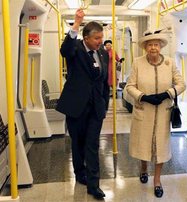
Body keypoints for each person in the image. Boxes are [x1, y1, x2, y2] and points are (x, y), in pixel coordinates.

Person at [125, 29, 185, 198]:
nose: (153, 48)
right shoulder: (138, 63)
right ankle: (143, 167)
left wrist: (168, 94)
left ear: (160, 47)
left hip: (163, 113)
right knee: (143, 144)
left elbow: (181, 84)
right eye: (150, 45)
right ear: (145, 47)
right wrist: (143, 97)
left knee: (161, 148)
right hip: (144, 110)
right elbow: (130, 86)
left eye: (156, 45)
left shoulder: (170, 63)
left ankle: (157, 180)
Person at [56, 9, 109, 200]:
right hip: (76, 107)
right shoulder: (75, 49)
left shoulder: (103, 53)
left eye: (101, 37)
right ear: (86, 38)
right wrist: (76, 23)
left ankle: (94, 185)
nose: (100, 41)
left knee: (92, 145)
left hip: (96, 108)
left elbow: (104, 81)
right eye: (96, 38)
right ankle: (80, 174)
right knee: (77, 144)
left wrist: (104, 104)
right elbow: (65, 50)